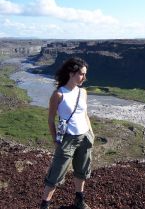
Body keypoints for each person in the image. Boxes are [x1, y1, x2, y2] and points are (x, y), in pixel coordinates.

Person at [40, 57, 94, 209]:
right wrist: (55, 140)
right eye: (82, 74)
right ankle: (44, 205)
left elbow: (85, 114)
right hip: (67, 139)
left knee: (82, 170)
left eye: (85, 74)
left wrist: (91, 133)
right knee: (55, 174)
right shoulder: (58, 94)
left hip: (85, 137)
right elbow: (50, 120)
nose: (84, 77)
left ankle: (79, 200)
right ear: (71, 73)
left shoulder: (83, 92)